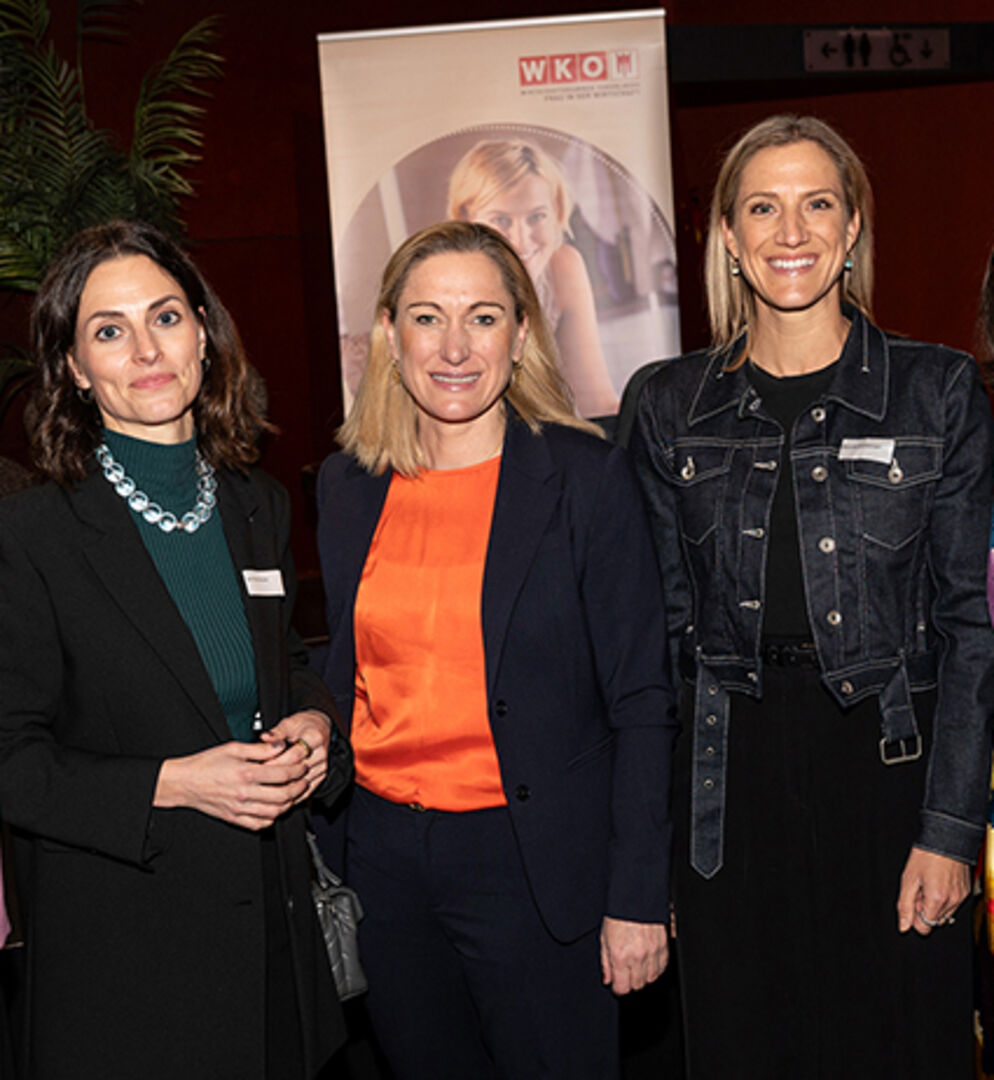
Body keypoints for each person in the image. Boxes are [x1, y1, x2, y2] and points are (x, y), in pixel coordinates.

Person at [624, 115, 994, 1077]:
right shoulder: (666, 403)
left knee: (902, 1049)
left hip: (889, 772)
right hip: (725, 789)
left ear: (854, 225)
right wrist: (645, 857)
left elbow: (971, 630)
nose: (792, 232)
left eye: (817, 204)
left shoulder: (937, 392)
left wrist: (950, 832)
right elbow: (656, 644)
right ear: (731, 240)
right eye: (764, 208)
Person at [316, 220, 676, 1079]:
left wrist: (636, 898)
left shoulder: (587, 478)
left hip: (537, 863)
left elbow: (642, 700)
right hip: (387, 870)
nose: (453, 346)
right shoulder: (346, 484)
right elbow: (342, 671)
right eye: (427, 317)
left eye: (482, 317)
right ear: (390, 335)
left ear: (521, 336)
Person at [0, 220, 352, 1080]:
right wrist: (176, 782)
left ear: (202, 330)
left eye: (165, 317)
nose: (146, 350)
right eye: (109, 332)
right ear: (76, 370)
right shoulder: (32, 532)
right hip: (126, 959)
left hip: (272, 931)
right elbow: (12, 760)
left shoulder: (256, 503)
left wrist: (313, 724)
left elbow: (282, 666)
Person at [448, 139, 619, 418]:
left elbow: (596, 403)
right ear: (467, 217)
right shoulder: (444, 284)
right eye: (501, 220)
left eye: (536, 216)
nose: (521, 240)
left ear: (557, 212)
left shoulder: (563, 266)